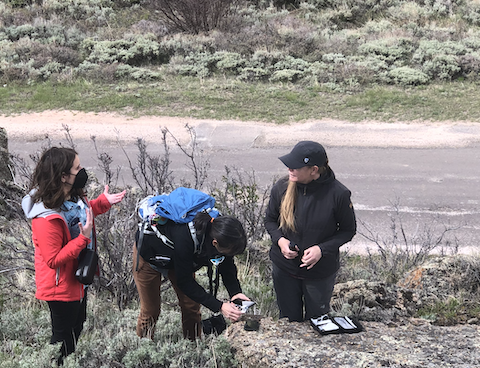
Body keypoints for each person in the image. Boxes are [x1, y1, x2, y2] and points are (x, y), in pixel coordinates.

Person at [22, 147, 126, 360]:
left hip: (78, 277)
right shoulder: (45, 218)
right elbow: (53, 260)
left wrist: (103, 202)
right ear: (63, 176)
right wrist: (83, 239)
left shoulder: (73, 196)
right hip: (59, 285)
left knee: (77, 327)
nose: (82, 172)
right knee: (62, 336)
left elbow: (82, 215)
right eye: (77, 168)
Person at [133, 197, 251, 340]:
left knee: (191, 305)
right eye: (227, 252)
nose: (228, 255)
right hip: (149, 257)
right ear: (215, 243)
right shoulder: (187, 236)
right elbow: (185, 282)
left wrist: (235, 293)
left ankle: (191, 343)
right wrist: (220, 306)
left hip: (179, 258)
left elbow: (227, 265)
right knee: (151, 310)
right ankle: (143, 346)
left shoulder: (224, 233)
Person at [264, 140, 356, 322]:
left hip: (319, 274)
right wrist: (281, 242)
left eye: (296, 166)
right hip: (284, 270)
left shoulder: (339, 194)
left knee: (318, 323)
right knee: (289, 322)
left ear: (314, 170)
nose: (290, 168)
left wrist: (321, 250)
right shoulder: (281, 188)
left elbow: (348, 231)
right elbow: (269, 221)